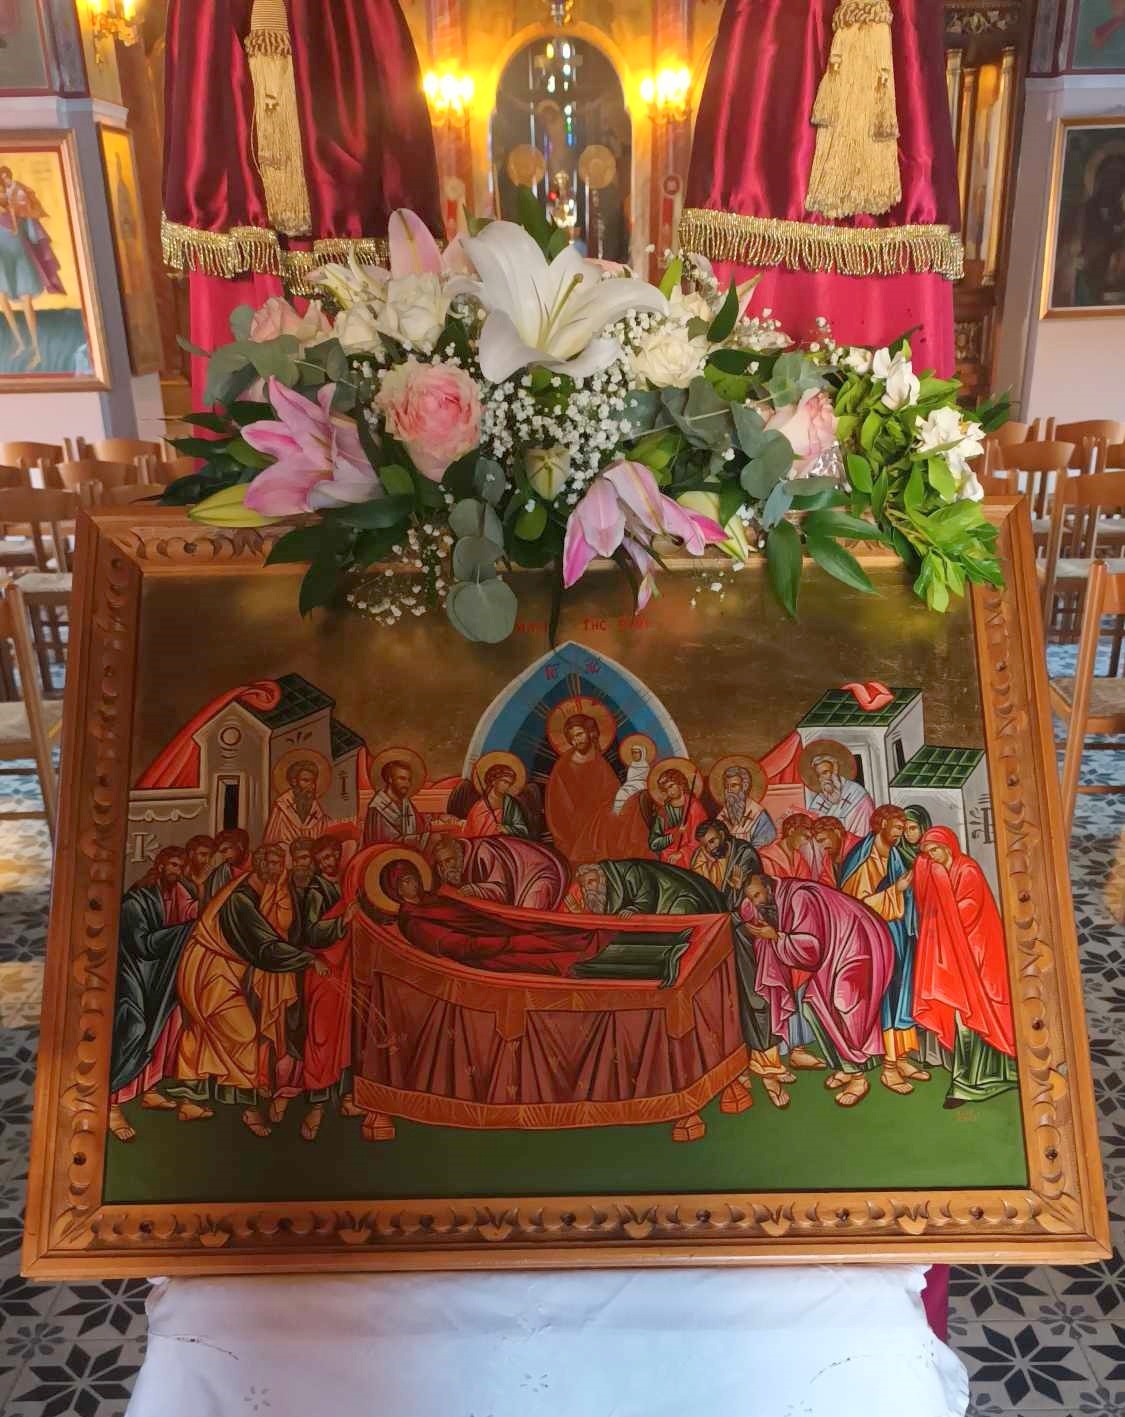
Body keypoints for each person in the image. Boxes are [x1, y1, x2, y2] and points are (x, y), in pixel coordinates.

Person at [172, 844, 326, 1137]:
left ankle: (191, 1101)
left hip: (224, 967)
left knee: (208, 1034)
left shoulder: (257, 889)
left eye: (281, 863)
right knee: (243, 1033)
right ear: (259, 864)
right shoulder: (241, 899)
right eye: (273, 863)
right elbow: (264, 946)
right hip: (213, 969)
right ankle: (247, 1107)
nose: (279, 869)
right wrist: (307, 959)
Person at [739, 870, 895, 1109]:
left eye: (757, 895)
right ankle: (846, 1067)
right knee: (814, 1007)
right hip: (835, 952)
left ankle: (859, 1079)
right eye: (751, 898)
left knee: (845, 1006)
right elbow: (749, 913)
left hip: (857, 946)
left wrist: (777, 937)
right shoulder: (775, 897)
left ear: (769, 888)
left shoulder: (799, 897)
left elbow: (810, 951)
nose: (756, 902)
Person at [912, 826, 1017, 1108]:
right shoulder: (939, 872)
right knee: (962, 1016)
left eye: (935, 850)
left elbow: (969, 910)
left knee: (978, 1015)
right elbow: (932, 910)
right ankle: (967, 1081)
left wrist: (943, 906)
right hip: (957, 954)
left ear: (948, 846)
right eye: (928, 852)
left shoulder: (967, 869)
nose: (933, 856)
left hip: (978, 953)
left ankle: (973, 1084)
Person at [271, 838, 361, 1140]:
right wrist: (342, 920)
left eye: (332, 856)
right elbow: (312, 932)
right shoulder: (316, 891)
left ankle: (347, 1096)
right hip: (323, 970)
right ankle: (317, 1104)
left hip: (346, 968)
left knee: (346, 1034)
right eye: (322, 859)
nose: (329, 862)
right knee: (321, 1036)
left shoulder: (348, 885)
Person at [108, 848, 199, 1143]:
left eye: (181, 866)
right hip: (133, 976)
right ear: (159, 865)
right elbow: (143, 945)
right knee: (134, 1029)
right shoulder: (135, 901)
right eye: (173, 864)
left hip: (159, 977)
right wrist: (185, 930)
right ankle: (112, 1104)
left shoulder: (178, 893)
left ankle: (148, 1089)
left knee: (166, 1028)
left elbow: (191, 912)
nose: (177, 870)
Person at [839, 804, 928, 1096]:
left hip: (898, 933)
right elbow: (857, 905)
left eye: (904, 828)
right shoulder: (865, 861)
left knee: (901, 994)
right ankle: (888, 1068)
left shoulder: (893, 854)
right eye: (898, 827)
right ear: (881, 826)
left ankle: (900, 1057)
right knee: (886, 998)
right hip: (875, 939)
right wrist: (896, 890)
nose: (901, 832)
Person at [385, 859, 603, 976]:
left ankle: (601, 946)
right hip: (487, 952)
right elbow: (456, 945)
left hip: (499, 931)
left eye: (413, 877)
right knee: (544, 954)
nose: (413, 883)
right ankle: (597, 966)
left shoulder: (434, 898)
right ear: (395, 890)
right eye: (405, 881)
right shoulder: (413, 921)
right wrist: (506, 942)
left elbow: (473, 912)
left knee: (549, 933)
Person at [545, 713, 649, 864]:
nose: (576, 741)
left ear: (590, 732)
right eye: (572, 738)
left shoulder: (598, 760)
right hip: (574, 822)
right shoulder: (564, 766)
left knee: (631, 808)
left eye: (579, 734)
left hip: (600, 814)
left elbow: (613, 790)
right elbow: (557, 804)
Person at [0, 164, 63, 370]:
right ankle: (20, 342)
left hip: (20, 257)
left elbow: (30, 227)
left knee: (26, 300)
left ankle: (37, 350)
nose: (2, 193)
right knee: (2, 299)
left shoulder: (18, 205)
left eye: (3, 187)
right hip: (3, 259)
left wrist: (17, 208)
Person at [431, 832, 569, 912]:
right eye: (441, 864)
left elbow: (501, 891)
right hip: (520, 885)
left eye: (448, 861)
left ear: (459, 855)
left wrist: (475, 890)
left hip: (540, 875)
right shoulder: (453, 867)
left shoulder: (484, 851)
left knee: (529, 914)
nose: (445, 868)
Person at [575, 859, 726, 917]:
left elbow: (647, 893)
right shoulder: (603, 891)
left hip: (676, 899)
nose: (588, 889)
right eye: (584, 886)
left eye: (591, 882)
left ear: (603, 879)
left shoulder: (630, 872)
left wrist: (636, 909)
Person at [690, 819, 763, 906]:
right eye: (706, 846)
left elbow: (749, 896)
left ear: (722, 835)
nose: (710, 848)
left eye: (712, 841)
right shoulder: (703, 858)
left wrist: (737, 888)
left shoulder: (744, 854)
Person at [648, 767, 708, 868]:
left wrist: (682, 853)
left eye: (671, 786)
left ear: (680, 783)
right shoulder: (664, 812)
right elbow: (653, 844)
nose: (670, 791)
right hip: (668, 858)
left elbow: (703, 836)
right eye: (666, 790)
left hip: (693, 855)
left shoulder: (694, 806)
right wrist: (673, 836)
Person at [805, 752, 875, 838]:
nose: (823, 779)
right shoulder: (819, 799)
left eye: (825, 772)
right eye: (819, 775)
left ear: (835, 771)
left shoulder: (857, 794)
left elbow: (865, 828)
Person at [265, 759, 331, 846]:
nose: (311, 786)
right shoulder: (281, 806)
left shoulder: (319, 813)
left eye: (313, 782)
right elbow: (271, 842)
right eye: (306, 781)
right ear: (294, 782)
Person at [365, 758, 428, 844]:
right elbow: (383, 841)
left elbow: (421, 827)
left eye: (409, 780)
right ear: (390, 779)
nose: (407, 784)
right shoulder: (378, 807)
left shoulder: (406, 804)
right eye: (402, 779)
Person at [716, 764, 777, 848]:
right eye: (726, 787)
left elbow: (764, 846)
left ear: (745, 786)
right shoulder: (723, 814)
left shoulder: (758, 814)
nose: (729, 791)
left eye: (734, 785)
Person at [464, 763, 531, 838]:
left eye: (510, 784)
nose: (507, 786)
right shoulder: (479, 806)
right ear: (494, 781)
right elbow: (469, 832)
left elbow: (523, 830)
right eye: (505, 782)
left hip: (501, 842)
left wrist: (506, 829)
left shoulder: (510, 804)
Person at [760, 812, 819, 880]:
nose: (806, 843)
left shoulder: (801, 862)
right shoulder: (766, 858)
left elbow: (807, 883)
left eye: (809, 839)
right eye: (806, 837)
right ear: (791, 831)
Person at [203, 828, 251, 901]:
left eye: (226, 850)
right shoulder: (220, 873)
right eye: (222, 852)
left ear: (240, 845)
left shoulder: (260, 865)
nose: (225, 856)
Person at [811, 816, 859, 886]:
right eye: (819, 842)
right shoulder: (828, 860)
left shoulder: (859, 848)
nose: (822, 846)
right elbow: (825, 882)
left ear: (837, 833)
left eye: (823, 840)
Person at [183, 834, 217, 901]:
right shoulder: (181, 876)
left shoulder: (214, 876)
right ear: (191, 854)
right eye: (203, 855)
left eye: (210, 856)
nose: (207, 861)